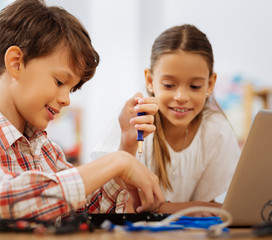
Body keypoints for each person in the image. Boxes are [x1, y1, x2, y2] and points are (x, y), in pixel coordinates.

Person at [0, 0, 165, 220]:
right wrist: (116, 162)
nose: (66, 100)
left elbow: (91, 209)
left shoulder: (45, 151)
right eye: (60, 82)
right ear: (16, 63)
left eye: (71, 90)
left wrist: (126, 145)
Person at [91, 24, 241, 215]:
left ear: (210, 84)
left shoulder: (215, 129)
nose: (181, 96)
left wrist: (197, 209)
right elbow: (123, 206)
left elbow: (206, 206)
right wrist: (189, 208)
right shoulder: (135, 122)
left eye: (194, 86)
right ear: (150, 80)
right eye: (169, 85)